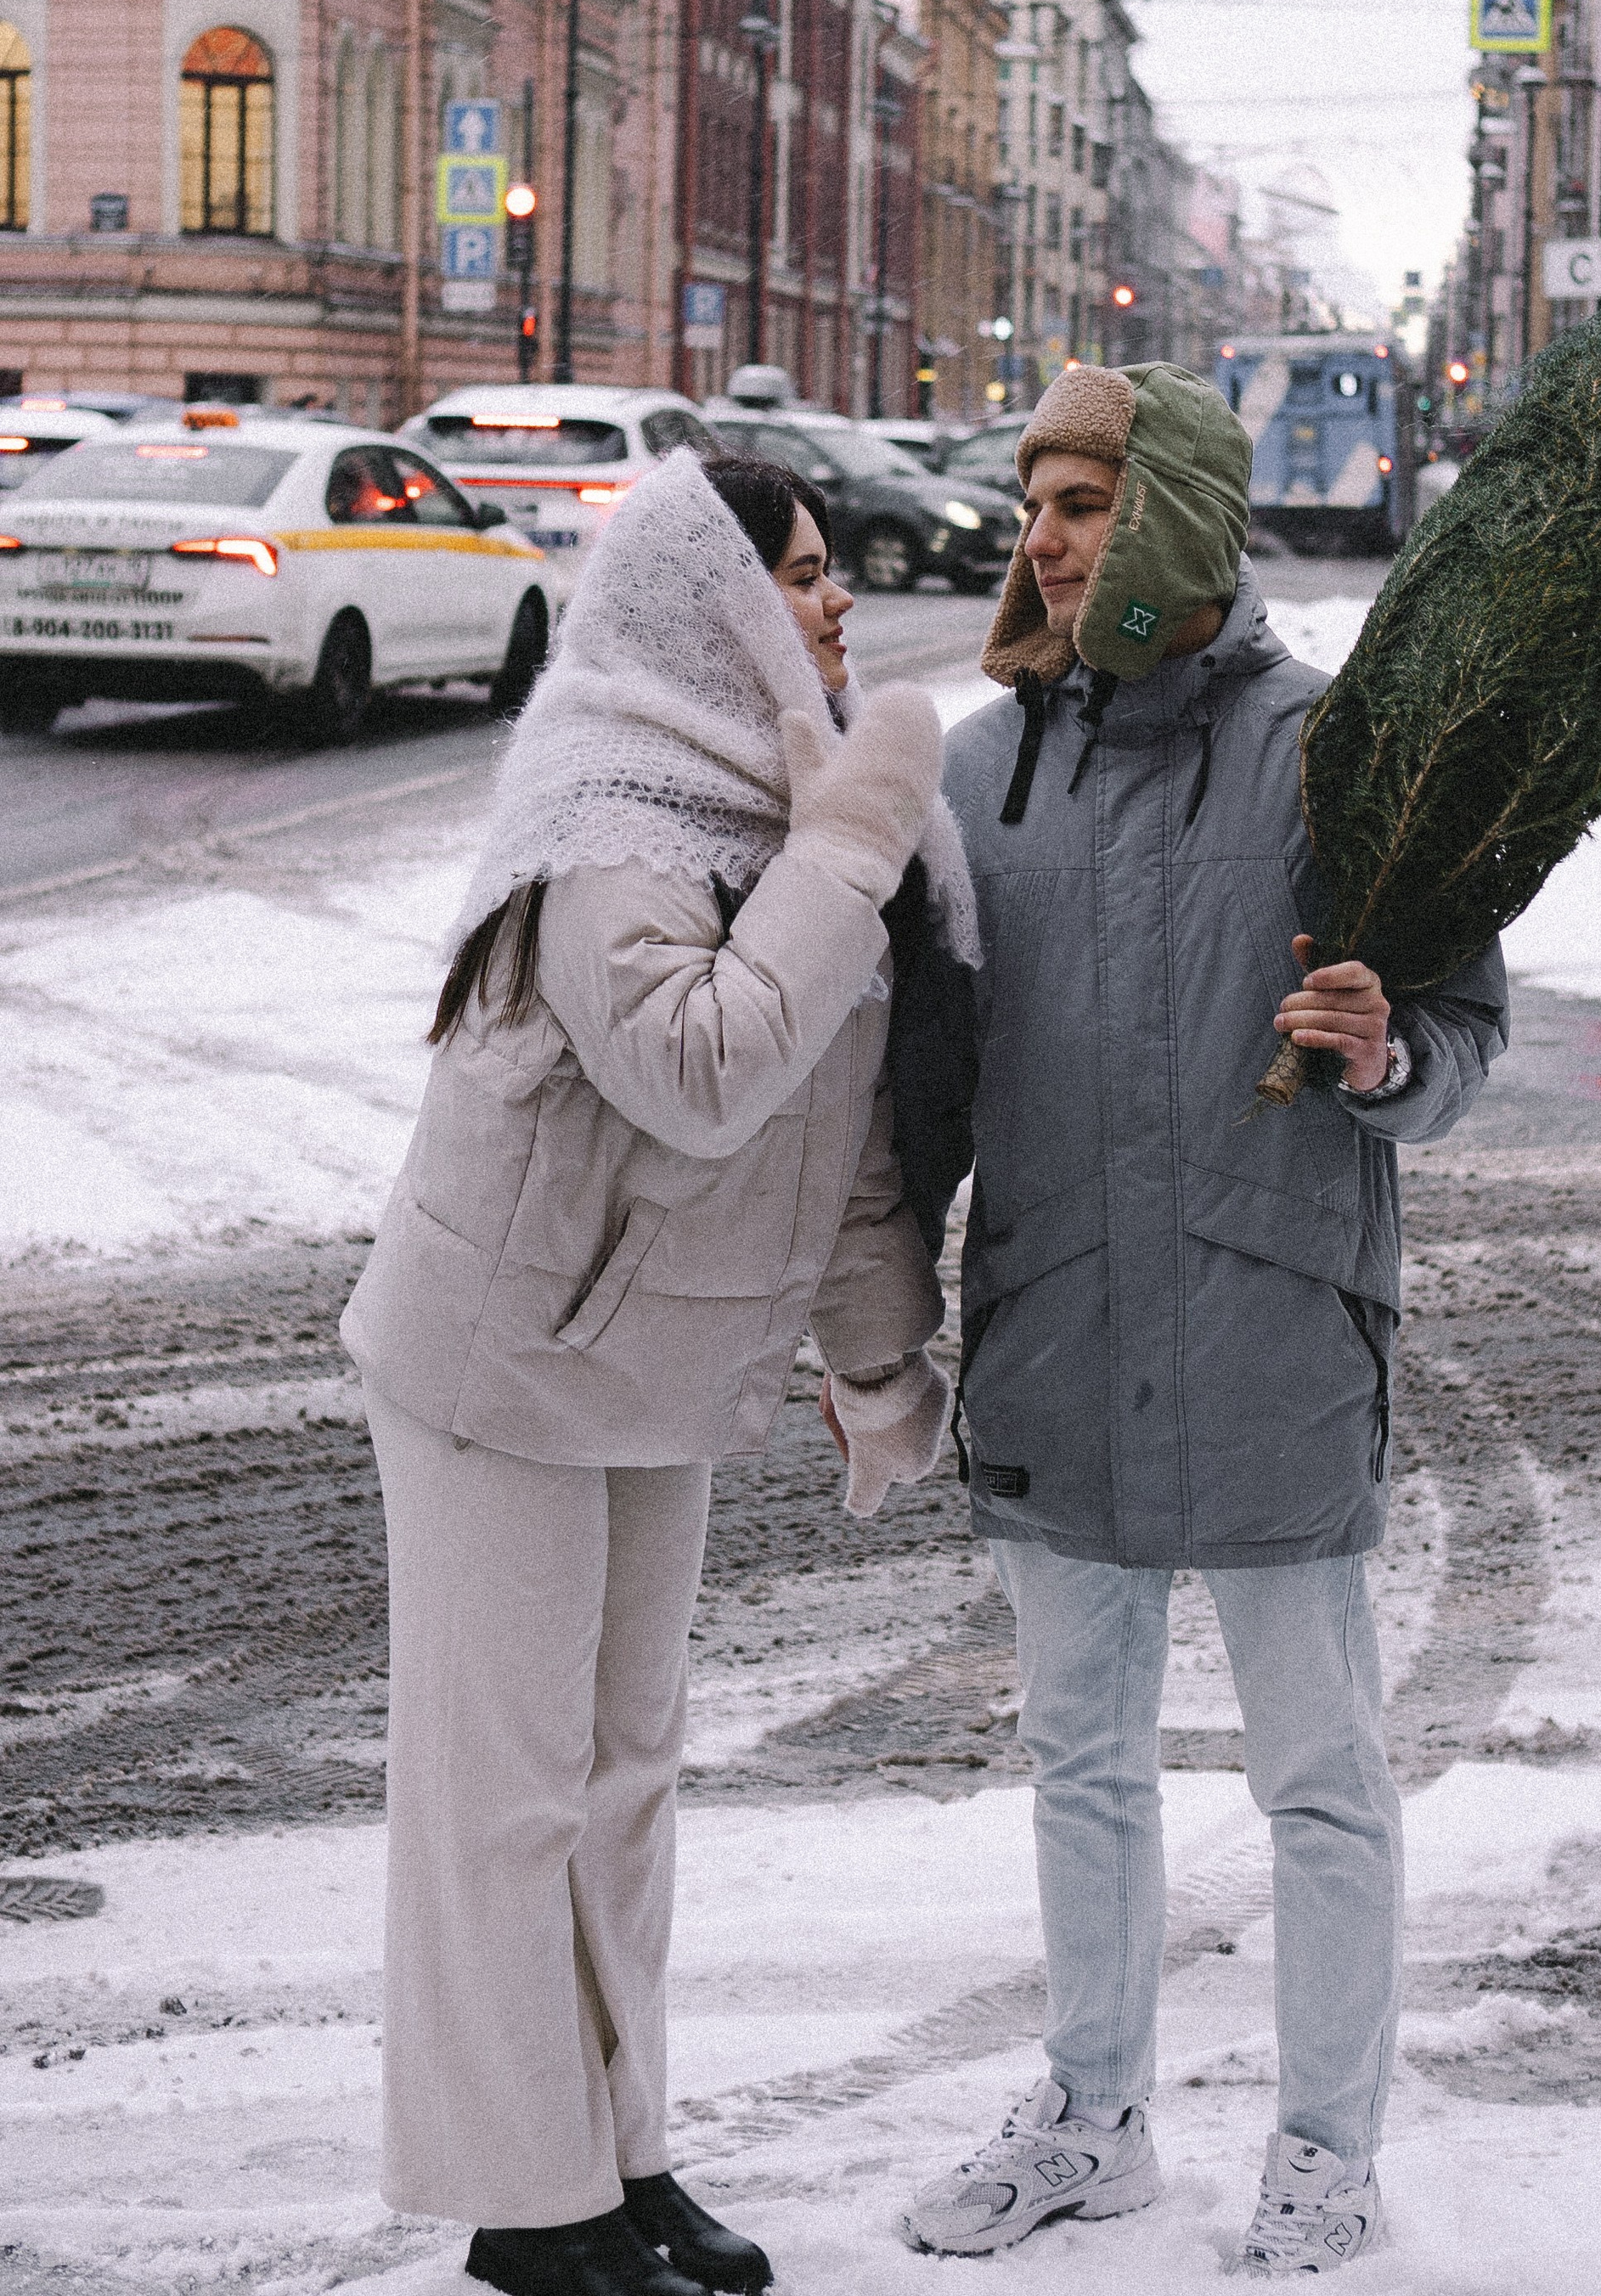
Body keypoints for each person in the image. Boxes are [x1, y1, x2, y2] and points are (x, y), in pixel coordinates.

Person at [341, 447, 973, 2296]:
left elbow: (845, 1141)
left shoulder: (798, 807)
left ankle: (617, 2163)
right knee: (505, 1789)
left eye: (834, 570)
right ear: (702, 601)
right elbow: (700, 1062)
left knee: (625, 1778)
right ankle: (521, 2203)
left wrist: (882, 1369)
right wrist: (850, 853)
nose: (834, 599)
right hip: (499, 1361)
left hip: (650, 1369)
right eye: (797, 571)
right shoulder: (610, 811)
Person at [900, 363, 1507, 2276]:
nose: (1042, 543)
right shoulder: (979, 769)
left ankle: (1325, 2148)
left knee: (1315, 1771)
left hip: (1269, 1323)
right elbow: (918, 1080)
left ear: (1165, 512)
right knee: (1077, 1757)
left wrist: (1384, 1046)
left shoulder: (1335, 752)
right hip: (1054, 1325)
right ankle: (1091, 2117)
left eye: (1078, 503)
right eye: (1030, 506)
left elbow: (1465, 1021)